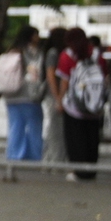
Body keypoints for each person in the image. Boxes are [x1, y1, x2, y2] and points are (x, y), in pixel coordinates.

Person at [55, 27, 104, 180]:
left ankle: (78, 171)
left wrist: (59, 100)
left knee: (75, 139)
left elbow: (65, 82)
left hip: (74, 106)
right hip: (94, 106)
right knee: (92, 138)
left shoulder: (67, 55)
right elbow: (105, 77)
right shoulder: (97, 54)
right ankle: (91, 170)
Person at [0, 26, 48, 163]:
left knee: (15, 127)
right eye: (36, 34)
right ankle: (33, 155)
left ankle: (14, 154)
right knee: (34, 126)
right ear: (31, 36)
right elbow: (37, 73)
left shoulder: (11, 52)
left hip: (11, 95)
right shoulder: (32, 53)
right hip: (29, 96)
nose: (38, 37)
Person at [42, 27, 70, 164]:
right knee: (56, 129)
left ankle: (50, 159)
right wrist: (58, 97)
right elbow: (50, 76)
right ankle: (54, 159)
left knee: (56, 129)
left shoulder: (56, 52)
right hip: (55, 95)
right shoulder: (54, 53)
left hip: (57, 95)